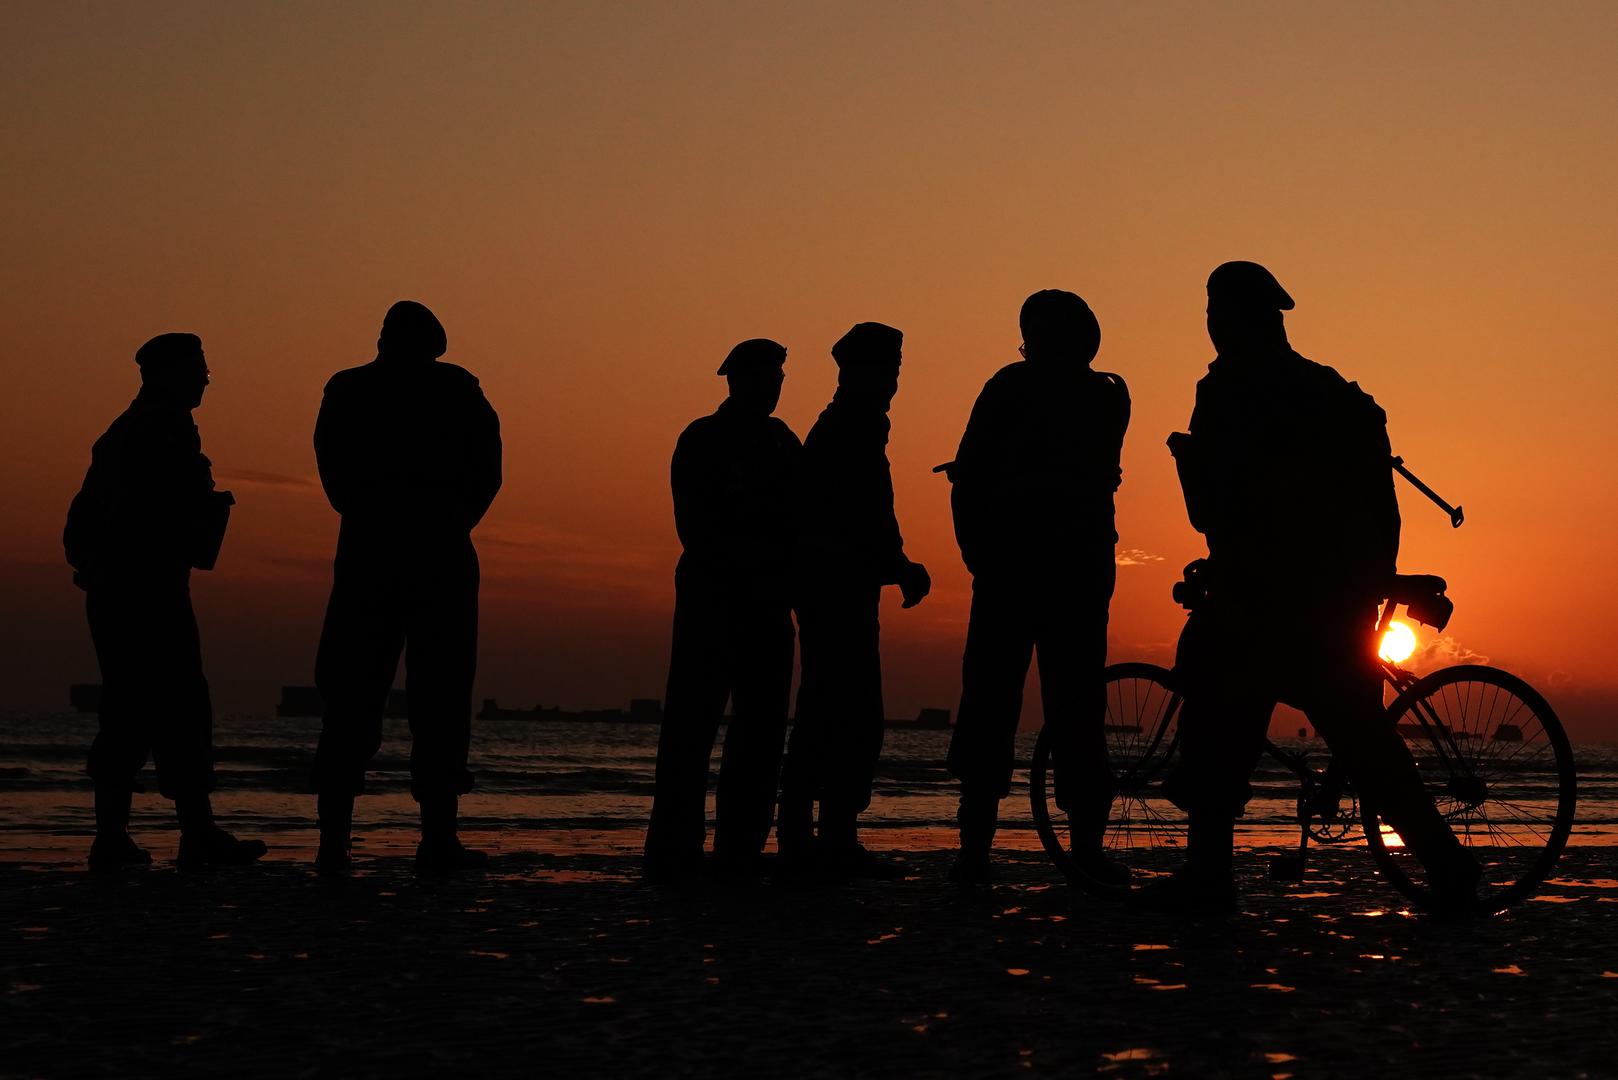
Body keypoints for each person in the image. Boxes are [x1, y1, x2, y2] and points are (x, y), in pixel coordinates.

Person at [1154, 261, 1479, 911]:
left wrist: (1187, 463)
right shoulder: (1334, 394)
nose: (1213, 325)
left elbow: (1221, 509)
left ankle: (1209, 874)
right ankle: (1446, 865)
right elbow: (1370, 512)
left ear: (1226, 318)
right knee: (1357, 734)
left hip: (1270, 597)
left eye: (1216, 312)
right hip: (1335, 597)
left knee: (1220, 708)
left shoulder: (1229, 390)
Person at [942, 290, 1130, 885]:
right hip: (1023, 575)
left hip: (1060, 576)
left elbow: (973, 480)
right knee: (1002, 710)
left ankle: (1073, 853)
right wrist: (982, 557)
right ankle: (980, 852)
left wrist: (983, 552)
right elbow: (969, 480)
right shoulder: (1050, 392)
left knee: (1066, 712)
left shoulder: (1096, 395)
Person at [311, 301, 502, 875]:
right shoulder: (439, 392)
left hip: (402, 555)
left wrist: (444, 522)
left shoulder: (361, 391)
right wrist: (445, 521)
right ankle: (396, 839)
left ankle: (366, 840)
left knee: (402, 699)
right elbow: (486, 471)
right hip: (406, 556)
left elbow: (486, 470)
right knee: (386, 698)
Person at [64, 333, 266, 871]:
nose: (205, 380)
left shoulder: (124, 433)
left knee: (135, 708)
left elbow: (80, 526)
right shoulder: (160, 430)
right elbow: (142, 514)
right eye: (198, 370)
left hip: (125, 591)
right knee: (174, 707)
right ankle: (185, 837)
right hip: (147, 593)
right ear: (168, 373)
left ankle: (125, 838)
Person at [643, 339, 802, 878]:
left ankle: (739, 848)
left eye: (779, 375)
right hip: (716, 598)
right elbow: (695, 524)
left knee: (759, 730)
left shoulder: (782, 441)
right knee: (693, 723)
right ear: (737, 380)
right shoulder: (704, 439)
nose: (775, 385)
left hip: (766, 601)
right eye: (766, 375)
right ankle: (675, 849)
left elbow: (807, 517)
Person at [778, 322, 931, 878]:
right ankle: (823, 838)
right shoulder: (849, 427)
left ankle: (816, 835)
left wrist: (892, 564)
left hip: (838, 586)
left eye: (895, 370)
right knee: (843, 711)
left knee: (831, 709)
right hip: (835, 589)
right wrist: (900, 565)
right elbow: (860, 513)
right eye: (885, 370)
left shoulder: (852, 425)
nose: (892, 381)